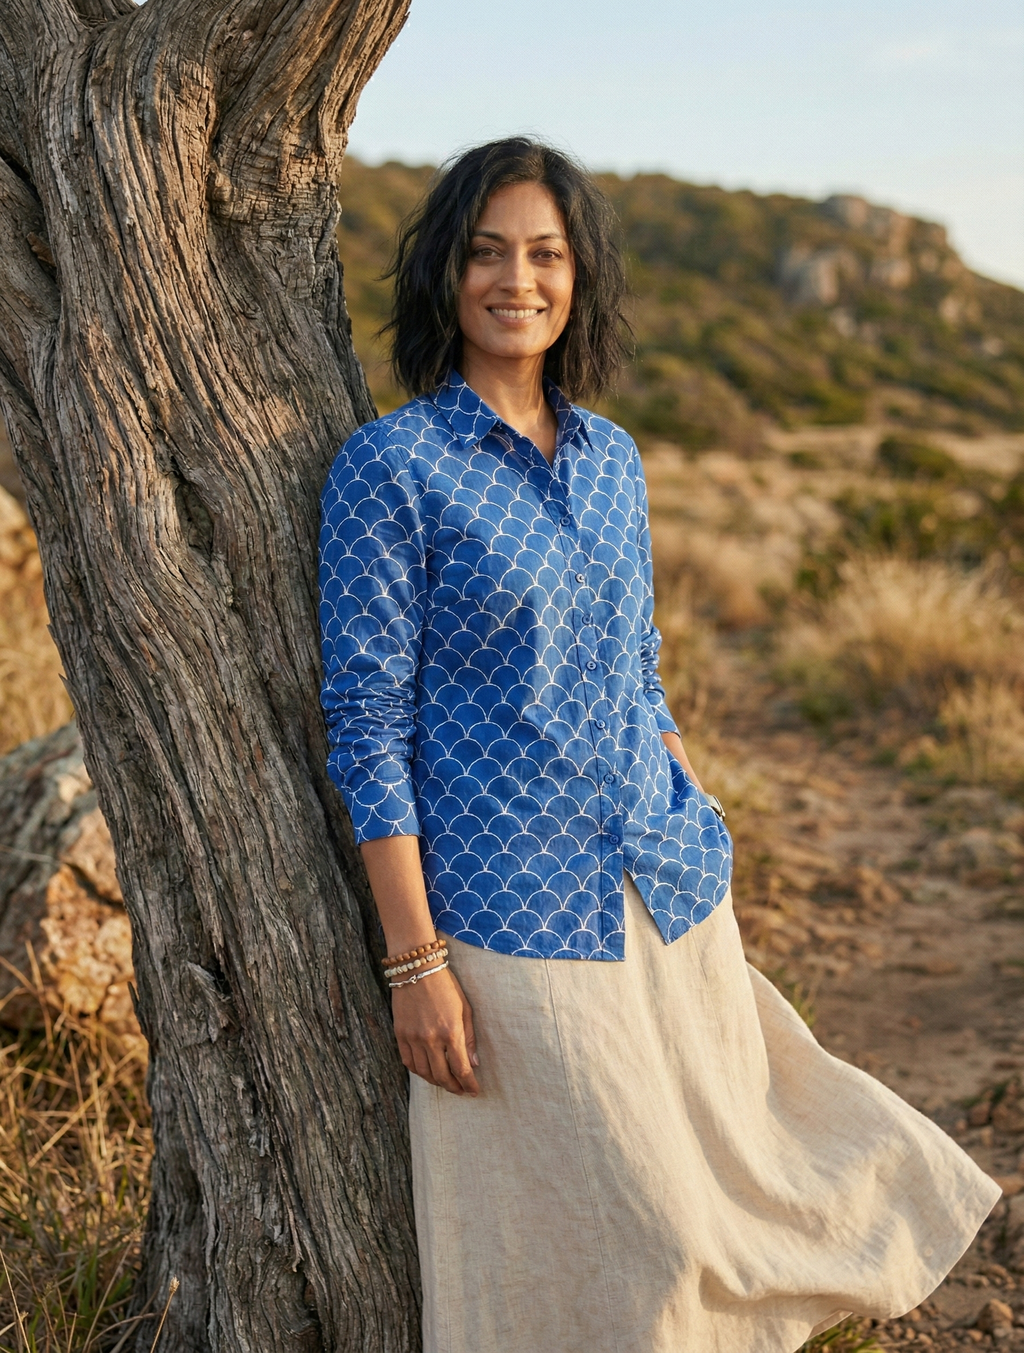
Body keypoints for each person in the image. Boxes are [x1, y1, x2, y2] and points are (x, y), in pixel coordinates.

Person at [319, 137, 999, 1353]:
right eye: (484, 253)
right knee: (635, 1234)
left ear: (578, 277)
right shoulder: (393, 467)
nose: (513, 279)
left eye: (543, 253)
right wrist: (414, 963)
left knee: (723, 1187)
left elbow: (639, 660)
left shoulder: (613, 458)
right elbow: (367, 726)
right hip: (507, 906)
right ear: (443, 275)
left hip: (661, 878)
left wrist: (691, 802)